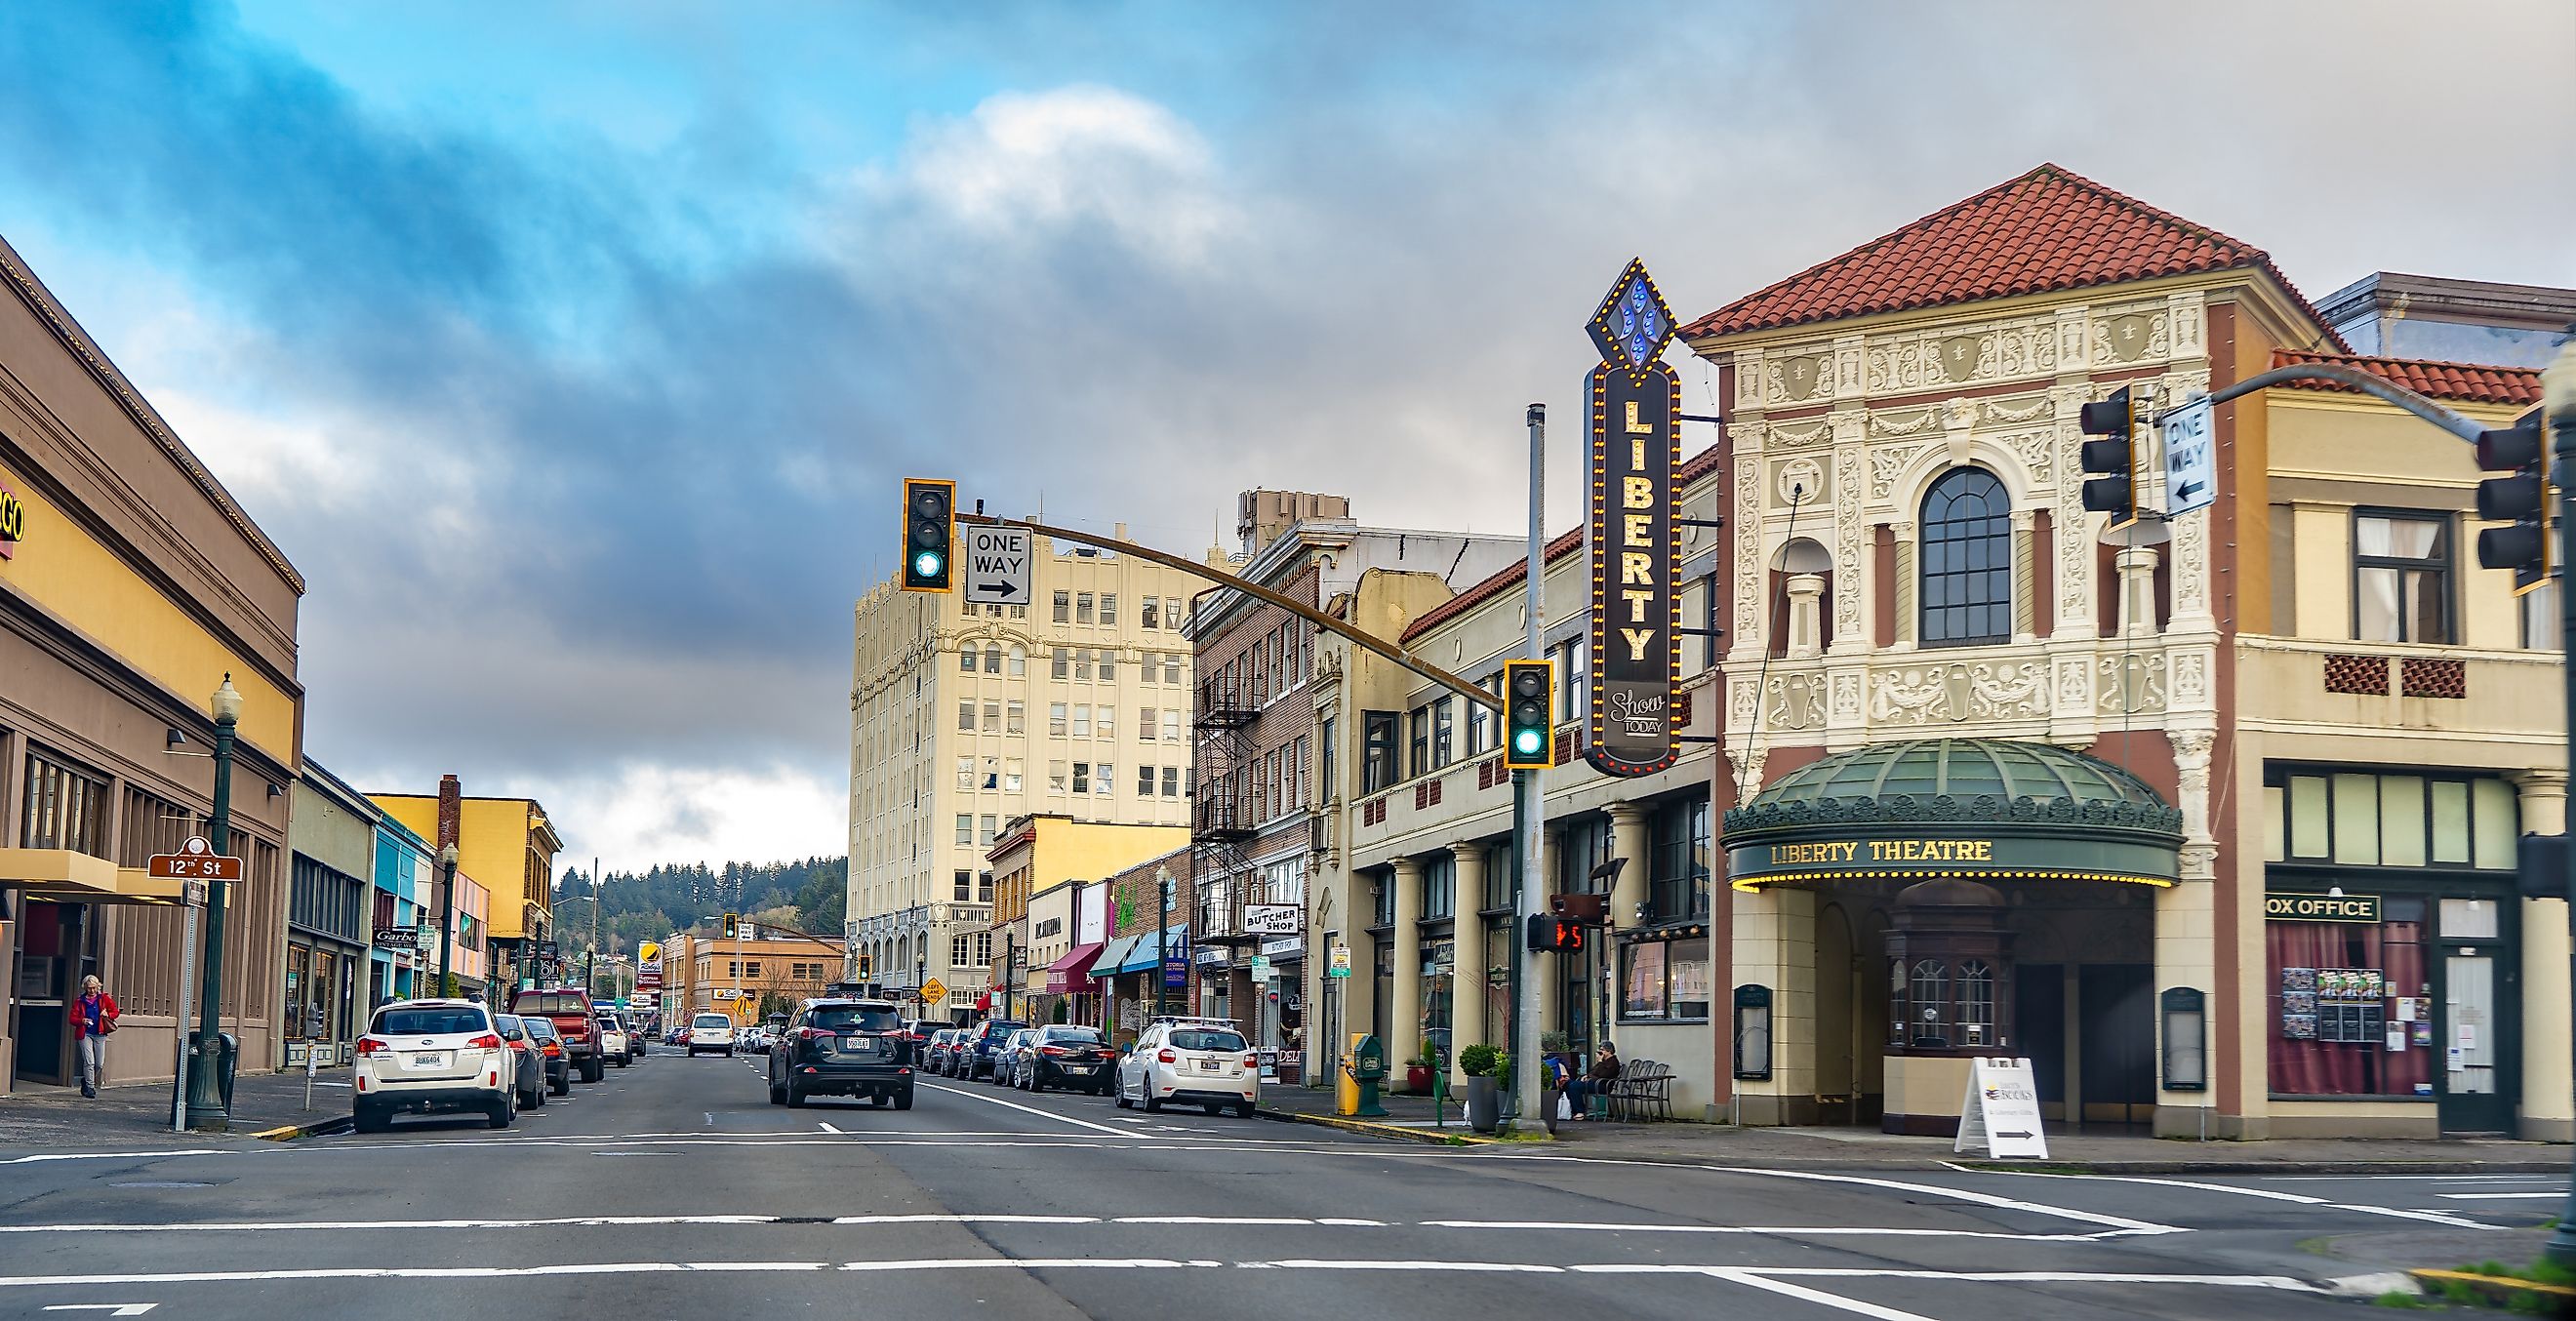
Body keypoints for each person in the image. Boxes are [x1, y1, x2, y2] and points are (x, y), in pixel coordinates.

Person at [67, 975, 118, 1098]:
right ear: (85, 987)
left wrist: (108, 1014)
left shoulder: (104, 999)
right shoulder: (80, 1001)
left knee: (99, 1063)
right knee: (89, 1061)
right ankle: (90, 1087)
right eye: (89, 988)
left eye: (94, 988)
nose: (92, 991)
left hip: (100, 1033)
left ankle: (86, 1080)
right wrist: (81, 1021)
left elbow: (115, 1012)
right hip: (85, 1033)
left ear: (98, 987)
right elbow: (72, 1018)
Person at [1563, 1042, 1622, 1120]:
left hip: (1602, 1085)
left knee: (1574, 1086)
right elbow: (1593, 1072)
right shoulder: (1603, 1061)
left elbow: (1603, 1074)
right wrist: (1588, 1076)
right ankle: (1573, 1110)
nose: (1600, 1053)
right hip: (1595, 1082)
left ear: (1609, 1051)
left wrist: (1599, 1064)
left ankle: (1580, 1111)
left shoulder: (1613, 1062)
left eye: (1602, 1050)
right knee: (1568, 1084)